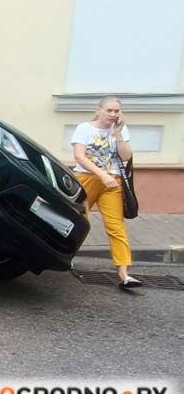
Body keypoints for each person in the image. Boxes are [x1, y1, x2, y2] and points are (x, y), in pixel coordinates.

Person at [71, 97, 139, 288]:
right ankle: (67, 256)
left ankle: (124, 274)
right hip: (87, 178)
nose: (113, 114)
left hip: (113, 182)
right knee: (79, 221)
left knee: (116, 226)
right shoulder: (84, 128)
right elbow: (79, 156)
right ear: (99, 110)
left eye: (117, 111)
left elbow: (126, 156)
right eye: (109, 110)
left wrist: (118, 134)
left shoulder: (120, 129)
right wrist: (101, 174)